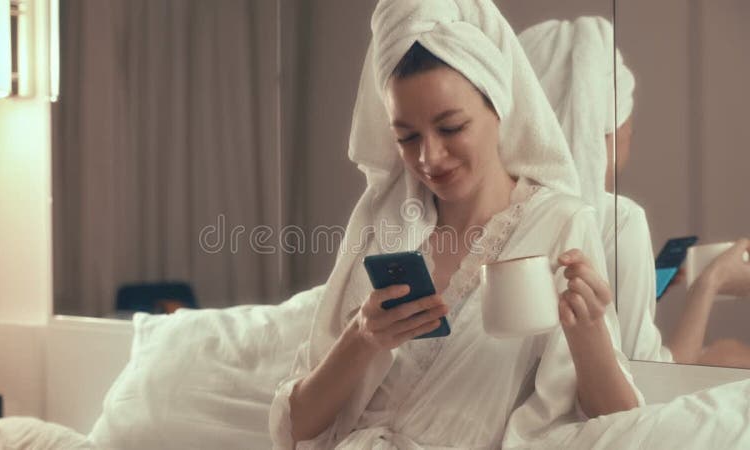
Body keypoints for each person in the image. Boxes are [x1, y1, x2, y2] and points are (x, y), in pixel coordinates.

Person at [268, 1, 641, 448]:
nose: (429, 158)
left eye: (450, 127)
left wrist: (589, 332)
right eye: (407, 137)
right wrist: (363, 338)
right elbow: (297, 427)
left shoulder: (558, 224)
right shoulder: (382, 229)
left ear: (498, 107)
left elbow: (621, 426)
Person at [519, 17, 750, 368]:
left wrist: (642, 283)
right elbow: (647, 376)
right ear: (606, 131)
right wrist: (710, 282)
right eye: (628, 122)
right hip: (609, 407)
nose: (632, 134)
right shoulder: (619, 221)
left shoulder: (504, 209)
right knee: (732, 355)